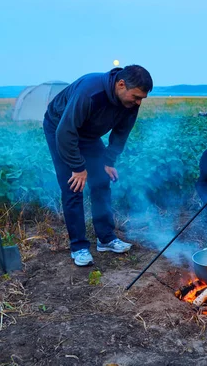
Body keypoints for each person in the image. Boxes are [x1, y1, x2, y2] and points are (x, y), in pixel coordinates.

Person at [43, 65, 153, 267]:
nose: (138, 102)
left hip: (88, 134)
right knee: (73, 186)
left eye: (141, 99)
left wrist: (108, 162)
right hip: (60, 128)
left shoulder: (130, 103)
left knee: (102, 181)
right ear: (121, 84)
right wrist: (78, 167)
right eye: (136, 97)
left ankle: (106, 238)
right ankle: (79, 246)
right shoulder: (90, 92)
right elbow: (65, 132)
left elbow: (121, 133)